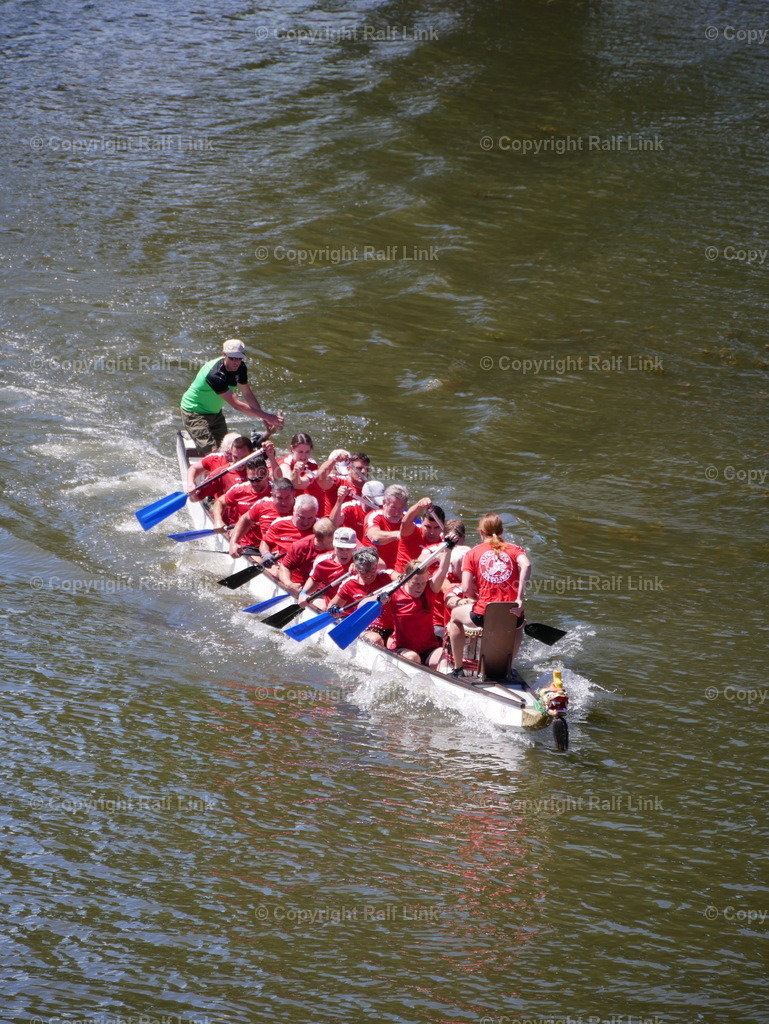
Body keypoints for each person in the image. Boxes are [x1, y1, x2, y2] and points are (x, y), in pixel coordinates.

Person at [447, 514, 531, 678]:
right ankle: (508, 668)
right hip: (512, 612)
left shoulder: (472, 553)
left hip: (483, 614)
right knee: (519, 624)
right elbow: (526, 564)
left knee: (455, 616)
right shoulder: (514, 549)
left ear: (480, 532)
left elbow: (465, 587)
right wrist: (519, 599)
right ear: (502, 531)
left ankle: (458, 669)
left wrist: (475, 599)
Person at [180, 338, 284, 454]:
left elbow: (247, 393)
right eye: (232, 358)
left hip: (215, 413)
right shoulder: (215, 375)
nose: (236, 362)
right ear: (224, 354)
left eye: (239, 358)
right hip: (194, 412)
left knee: (227, 450)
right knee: (213, 452)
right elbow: (237, 405)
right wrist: (267, 416)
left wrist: (264, 417)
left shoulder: (241, 367)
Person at [387, 548, 452, 667]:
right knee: (414, 658)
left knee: (445, 657)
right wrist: (381, 599)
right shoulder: (394, 594)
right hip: (404, 649)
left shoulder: (429, 590)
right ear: (406, 579)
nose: (420, 587)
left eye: (423, 583)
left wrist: (449, 548)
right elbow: (365, 603)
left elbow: (442, 570)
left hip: (428, 649)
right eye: (416, 583)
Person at [327, 547, 395, 646]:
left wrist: (402, 578)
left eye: (372, 570)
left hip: (391, 628)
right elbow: (332, 604)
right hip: (366, 629)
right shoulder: (349, 583)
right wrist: (333, 609)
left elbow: (403, 578)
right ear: (356, 568)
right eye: (364, 571)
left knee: (394, 644)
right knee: (376, 639)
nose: (369, 575)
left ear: (377, 566)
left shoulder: (387, 576)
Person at [228, 478, 296, 557]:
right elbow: (245, 519)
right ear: (272, 495)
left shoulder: (303, 510)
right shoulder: (263, 505)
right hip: (266, 554)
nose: (284, 503)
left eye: (287, 497)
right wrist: (233, 543)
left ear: (294, 494)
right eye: (279, 498)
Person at [298, 526, 359, 610]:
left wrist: (361, 568)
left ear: (354, 547)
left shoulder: (362, 561)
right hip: (332, 609)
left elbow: (380, 565)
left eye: (348, 549)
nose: (344, 553)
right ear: (333, 545)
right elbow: (315, 580)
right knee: (318, 603)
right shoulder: (322, 561)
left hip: (356, 609)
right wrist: (303, 593)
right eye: (340, 549)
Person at [277, 518, 337, 598]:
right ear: (318, 540)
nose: (336, 544)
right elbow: (285, 567)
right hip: (310, 591)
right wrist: (289, 584)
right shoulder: (300, 546)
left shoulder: (341, 546)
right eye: (331, 542)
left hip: (333, 589)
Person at [186, 434, 253, 503]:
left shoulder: (258, 469)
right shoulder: (218, 466)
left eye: (242, 457)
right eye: (234, 456)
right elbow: (194, 469)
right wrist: (191, 485)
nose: (239, 462)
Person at [212, 453, 271, 529]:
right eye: (251, 480)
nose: (255, 483)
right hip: (243, 538)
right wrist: (218, 521)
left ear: (267, 474)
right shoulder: (240, 490)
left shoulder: (277, 492)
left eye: (258, 479)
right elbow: (219, 502)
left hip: (268, 537)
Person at [364, 484, 409, 569]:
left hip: (398, 569)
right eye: (394, 507)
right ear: (384, 503)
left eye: (401, 508)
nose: (397, 513)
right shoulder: (374, 516)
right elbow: (375, 537)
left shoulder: (408, 519)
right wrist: (398, 534)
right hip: (374, 568)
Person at [395, 498, 445, 572]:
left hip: (428, 581)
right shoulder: (412, 532)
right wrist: (419, 506)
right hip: (402, 577)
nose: (432, 532)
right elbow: (405, 522)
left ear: (443, 525)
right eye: (427, 527)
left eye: (436, 527)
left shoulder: (445, 542)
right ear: (421, 521)